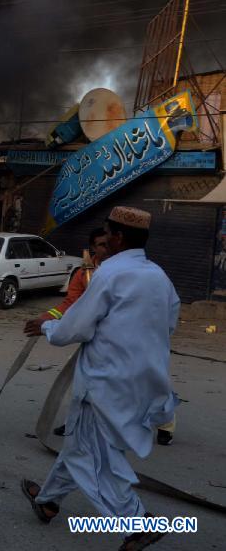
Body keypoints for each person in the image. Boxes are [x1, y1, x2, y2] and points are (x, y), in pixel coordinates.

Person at [21, 207, 179, 551]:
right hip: (140, 383)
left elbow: (72, 329)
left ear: (119, 237)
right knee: (82, 444)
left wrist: (46, 326)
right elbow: (167, 325)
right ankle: (48, 501)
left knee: (92, 457)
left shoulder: (111, 273)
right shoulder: (158, 276)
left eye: (107, 234)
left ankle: (135, 524)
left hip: (103, 384)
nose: (102, 242)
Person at [24, 227, 109, 437]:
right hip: (94, 338)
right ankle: (75, 422)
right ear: (93, 248)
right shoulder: (83, 274)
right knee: (82, 384)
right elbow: (70, 303)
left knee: (145, 385)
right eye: (102, 245)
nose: (108, 249)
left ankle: (165, 424)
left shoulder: (123, 273)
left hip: (123, 339)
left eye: (110, 244)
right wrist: (47, 318)